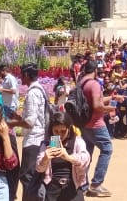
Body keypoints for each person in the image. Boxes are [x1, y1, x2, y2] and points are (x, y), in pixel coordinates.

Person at [77, 61, 115, 197]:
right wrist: (110, 108)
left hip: (85, 123)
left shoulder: (81, 83)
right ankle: (96, 184)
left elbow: (94, 100)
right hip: (96, 124)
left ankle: (82, 184)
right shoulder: (94, 84)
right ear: (95, 71)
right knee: (107, 149)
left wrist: (112, 97)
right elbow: (97, 106)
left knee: (87, 153)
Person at [36, 111, 91, 201]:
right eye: (56, 131)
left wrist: (68, 157)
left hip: (73, 186)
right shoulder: (46, 144)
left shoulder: (77, 141)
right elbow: (39, 169)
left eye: (63, 131)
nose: (59, 135)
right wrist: (45, 158)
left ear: (69, 129)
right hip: (52, 187)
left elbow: (86, 159)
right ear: (51, 130)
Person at [18, 64, 49, 201]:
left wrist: (13, 123)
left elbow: (30, 122)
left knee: (28, 178)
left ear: (26, 75)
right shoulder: (40, 89)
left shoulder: (32, 93)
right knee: (35, 178)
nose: (20, 77)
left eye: (21, 74)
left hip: (33, 140)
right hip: (40, 139)